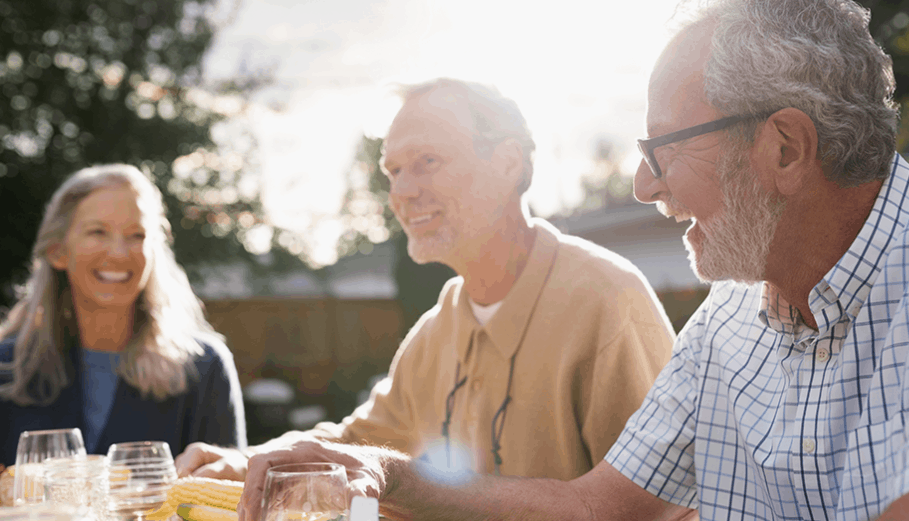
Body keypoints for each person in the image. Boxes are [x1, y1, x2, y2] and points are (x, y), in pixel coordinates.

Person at [231, 0, 909, 520]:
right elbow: (597, 505)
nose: (638, 184)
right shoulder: (731, 318)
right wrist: (387, 474)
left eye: (662, 148)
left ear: (784, 147)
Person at [175, 78, 676, 483]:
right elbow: (357, 444)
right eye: (393, 170)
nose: (403, 192)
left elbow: (665, 505)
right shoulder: (441, 327)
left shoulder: (609, 303)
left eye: (427, 162)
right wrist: (245, 461)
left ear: (507, 164)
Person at [0, 164, 246, 465]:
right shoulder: (7, 368)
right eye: (98, 232)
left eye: (136, 235)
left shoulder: (205, 369)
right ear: (57, 251)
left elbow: (226, 501)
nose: (119, 253)